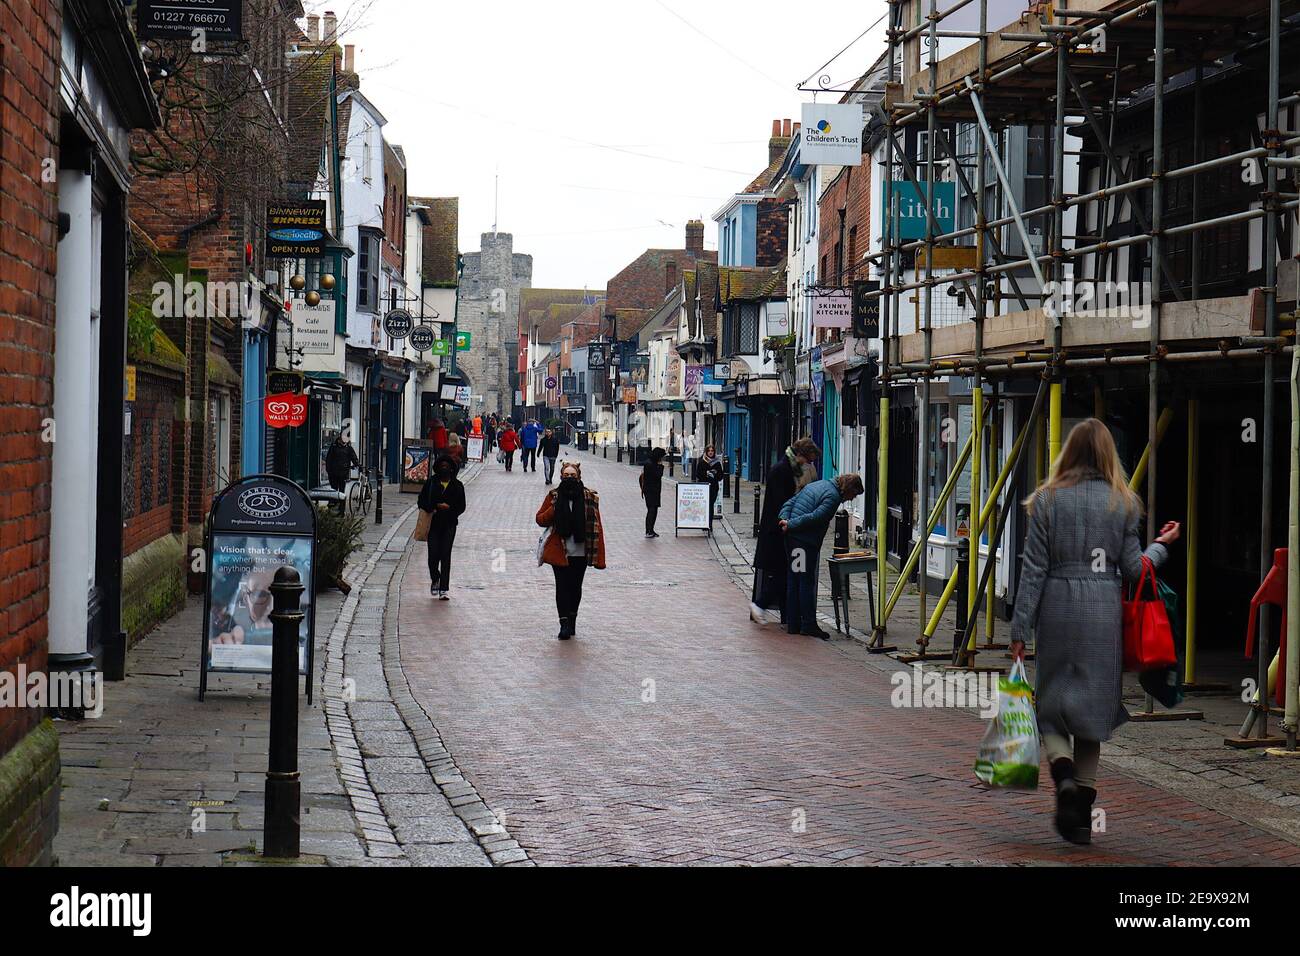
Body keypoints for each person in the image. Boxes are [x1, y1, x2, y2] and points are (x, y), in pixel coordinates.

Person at [1009, 418, 1180, 846]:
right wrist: (1163, 545)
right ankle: (1081, 819)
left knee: (1051, 708)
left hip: (1058, 608)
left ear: (1068, 451)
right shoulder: (1123, 503)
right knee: (1092, 714)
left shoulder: (1047, 500)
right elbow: (1133, 569)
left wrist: (1019, 631)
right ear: (1108, 453)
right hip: (1103, 612)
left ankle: (1062, 776)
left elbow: (1032, 571)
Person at [779, 473, 864, 640]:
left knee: (795, 579)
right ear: (848, 489)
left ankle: (793, 623)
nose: (852, 499)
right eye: (853, 495)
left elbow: (791, 501)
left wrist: (784, 518)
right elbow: (816, 518)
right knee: (804, 581)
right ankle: (808, 624)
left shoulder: (818, 484)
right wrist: (790, 524)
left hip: (794, 539)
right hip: (802, 542)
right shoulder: (832, 497)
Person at [752, 438, 821, 625]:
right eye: (808, 460)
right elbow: (781, 502)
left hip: (783, 528)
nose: (808, 464)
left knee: (786, 572)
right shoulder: (781, 470)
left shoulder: (790, 469)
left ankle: (786, 616)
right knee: (783, 572)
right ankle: (760, 604)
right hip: (776, 530)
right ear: (800, 455)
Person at [536, 460, 606, 640]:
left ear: (579, 477)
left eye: (572, 476)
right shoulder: (554, 496)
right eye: (566, 475)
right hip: (560, 550)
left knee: (575, 587)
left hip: (582, 550)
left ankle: (573, 618)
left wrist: (600, 555)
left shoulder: (588, 497)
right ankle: (564, 623)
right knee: (562, 586)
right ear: (561, 476)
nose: (569, 478)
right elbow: (540, 519)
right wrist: (554, 509)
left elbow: (597, 526)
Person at [417, 453, 467, 600]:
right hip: (433, 523)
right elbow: (421, 501)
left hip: (449, 524)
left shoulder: (457, 486)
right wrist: (433, 507)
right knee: (433, 555)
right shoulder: (431, 483)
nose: (444, 469)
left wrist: (450, 509)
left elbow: (462, 506)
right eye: (442, 467)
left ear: (452, 469)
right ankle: (435, 578)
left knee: (445, 555)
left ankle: (444, 588)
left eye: (447, 467)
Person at [324, 432, 360, 513]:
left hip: (343, 473)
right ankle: (332, 508)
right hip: (333, 473)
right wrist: (328, 470)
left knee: (341, 492)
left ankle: (341, 511)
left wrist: (357, 465)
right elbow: (328, 459)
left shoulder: (349, 448)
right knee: (333, 490)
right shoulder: (334, 446)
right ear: (340, 438)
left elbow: (353, 457)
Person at [639, 447, 666, 538]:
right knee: (651, 510)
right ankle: (648, 530)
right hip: (650, 490)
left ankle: (651, 529)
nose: (662, 459)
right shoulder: (650, 464)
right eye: (661, 457)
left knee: (654, 510)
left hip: (654, 490)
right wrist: (661, 466)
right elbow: (658, 475)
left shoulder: (651, 463)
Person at [694, 444, 725, 522]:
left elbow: (721, 476)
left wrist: (715, 474)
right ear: (706, 452)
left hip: (713, 487)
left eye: (712, 451)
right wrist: (707, 473)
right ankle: (703, 523)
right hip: (703, 487)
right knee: (704, 505)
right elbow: (698, 474)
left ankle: (709, 524)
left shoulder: (717, 463)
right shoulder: (702, 462)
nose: (710, 452)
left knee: (710, 505)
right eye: (709, 451)